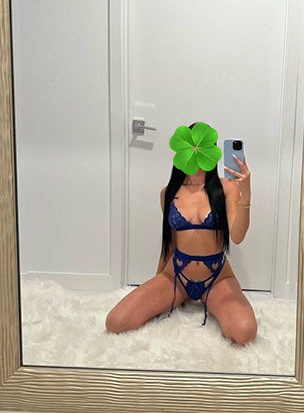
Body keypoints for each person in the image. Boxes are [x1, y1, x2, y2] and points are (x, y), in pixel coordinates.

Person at [105, 124, 257, 345]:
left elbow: (237, 237)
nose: (196, 152)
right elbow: (170, 244)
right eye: (191, 146)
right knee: (115, 322)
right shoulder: (168, 193)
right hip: (176, 275)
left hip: (217, 277)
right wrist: (157, 284)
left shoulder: (226, 188)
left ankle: (205, 298)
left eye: (202, 146)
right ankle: (181, 297)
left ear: (212, 151)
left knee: (245, 333)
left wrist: (246, 194)